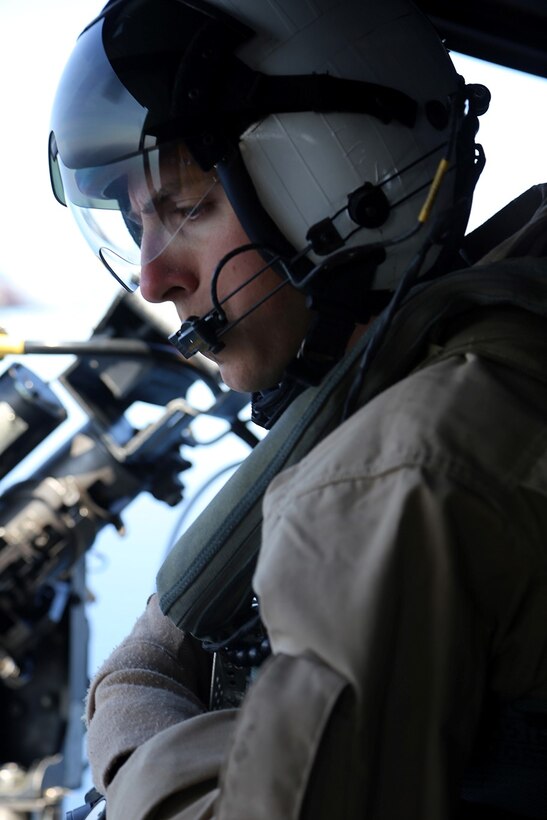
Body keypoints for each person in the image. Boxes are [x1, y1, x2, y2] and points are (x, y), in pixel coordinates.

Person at [49, 0, 547, 817]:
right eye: (137, 224)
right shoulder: (514, 326)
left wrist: (134, 693)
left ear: (338, 179)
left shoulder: (401, 471)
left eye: (186, 207)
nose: (152, 279)